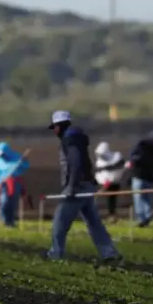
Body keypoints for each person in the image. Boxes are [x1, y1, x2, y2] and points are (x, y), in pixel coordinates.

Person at [45, 110, 122, 263]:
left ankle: (55, 254)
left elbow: (76, 163)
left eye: (54, 127)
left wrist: (72, 187)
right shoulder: (78, 138)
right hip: (87, 186)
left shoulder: (70, 140)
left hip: (77, 187)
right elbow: (85, 162)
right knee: (94, 223)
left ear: (60, 126)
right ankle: (110, 253)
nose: (54, 131)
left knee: (60, 222)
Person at [125, 130, 153, 227]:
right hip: (138, 177)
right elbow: (132, 161)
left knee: (147, 200)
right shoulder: (140, 146)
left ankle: (146, 219)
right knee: (139, 198)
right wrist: (130, 176)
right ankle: (141, 219)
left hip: (149, 179)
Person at [0, 142, 30, 227]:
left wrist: (23, 162)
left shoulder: (17, 158)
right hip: (2, 184)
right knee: (3, 202)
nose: (0, 156)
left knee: (12, 202)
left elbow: (25, 166)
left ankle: (10, 222)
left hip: (15, 183)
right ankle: (4, 220)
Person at [94, 141, 126, 219]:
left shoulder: (116, 157)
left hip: (113, 183)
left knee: (111, 200)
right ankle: (111, 215)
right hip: (102, 182)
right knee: (108, 200)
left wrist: (105, 186)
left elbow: (116, 172)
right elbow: (100, 172)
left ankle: (112, 215)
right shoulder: (100, 162)